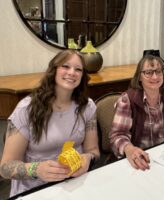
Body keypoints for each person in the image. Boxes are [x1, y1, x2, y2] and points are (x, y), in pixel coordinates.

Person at [0, 50, 100, 197]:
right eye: (65, 66)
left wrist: (88, 158)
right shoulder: (26, 109)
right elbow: (5, 167)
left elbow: (94, 151)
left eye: (78, 69)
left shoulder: (87, 106)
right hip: (35, 189)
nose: (72, 72)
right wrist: (37, 170)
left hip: (75, 184)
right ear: (53, 70)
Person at [109, 55, 164, 170]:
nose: (155, 76)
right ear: (139, 77)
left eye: (158, 71)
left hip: (163, 157)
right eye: (148, 72)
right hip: (137, 158)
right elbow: (117, 136)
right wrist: (129, 149)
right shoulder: (127, 100)